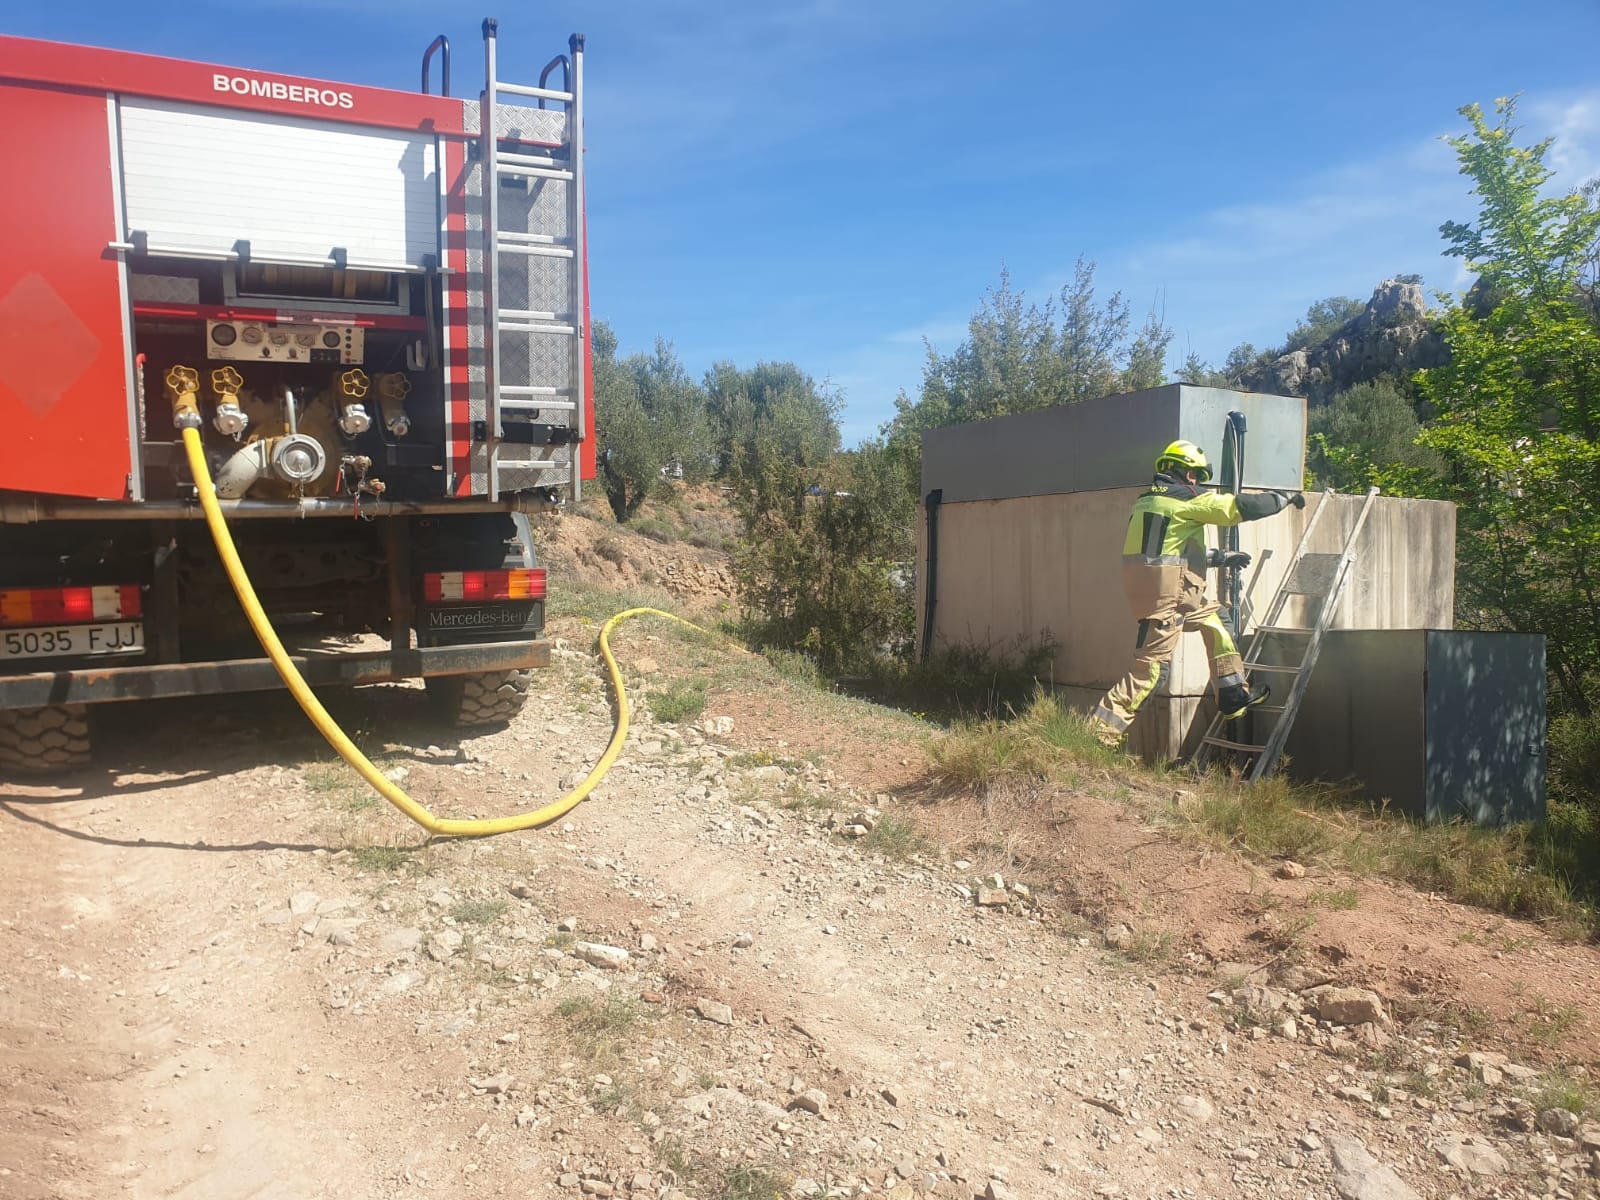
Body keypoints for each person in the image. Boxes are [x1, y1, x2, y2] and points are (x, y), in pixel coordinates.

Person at [1088, 439, 1304, 747]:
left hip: (1161, 594)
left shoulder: (1147, 501)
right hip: (1170, 600)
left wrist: (1220, 558)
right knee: (1151, 672)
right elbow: (1238, 508)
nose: (1197, 482)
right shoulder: (1186, 498)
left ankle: (1232, 694)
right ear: (1184, 472)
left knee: (1217, 620)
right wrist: (1284, 497)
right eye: (1196, 476)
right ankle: (1097, 736)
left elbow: (1164, 550)